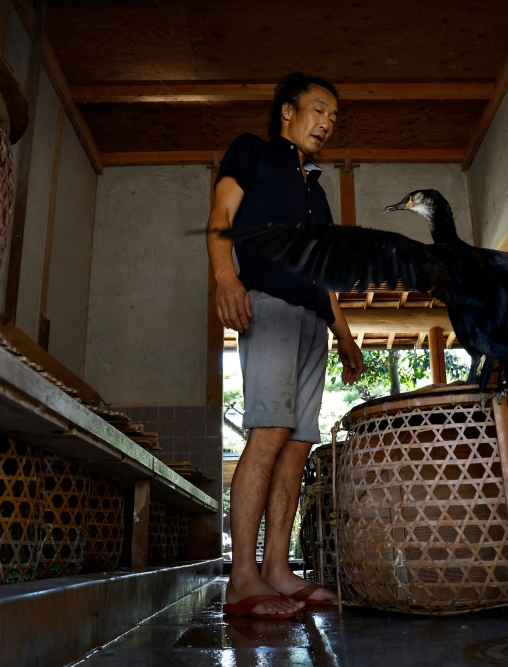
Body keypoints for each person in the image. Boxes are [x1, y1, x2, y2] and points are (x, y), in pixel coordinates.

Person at [206, 72, 364, 619]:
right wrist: (227, 278)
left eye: (334, 117)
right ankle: (241, 578)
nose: (327, 123)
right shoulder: (251, 153)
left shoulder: (317, 193)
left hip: (312, 320)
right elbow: (221, 217)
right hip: (268, 305)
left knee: (297, 445)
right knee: (269, 433)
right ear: (288, 112)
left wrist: (343, 333)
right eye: (320, 110)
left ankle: (276, 568)